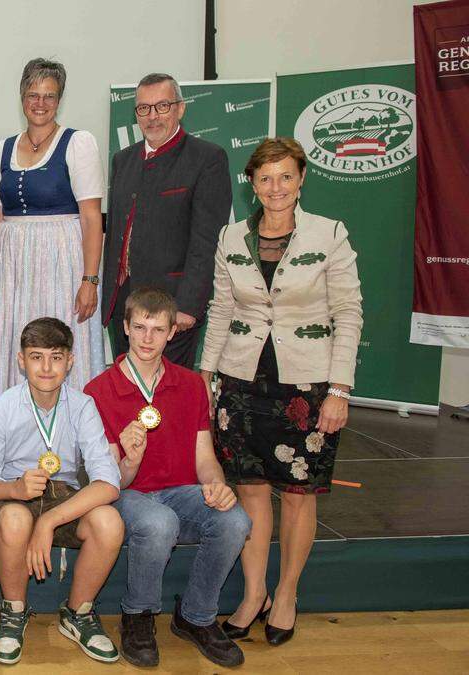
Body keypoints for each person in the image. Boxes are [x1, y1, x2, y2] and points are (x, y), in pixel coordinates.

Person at [201, 138, 362, 647]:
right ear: (252, 183)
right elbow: (222, 311)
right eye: (265, 178)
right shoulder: (231, 237)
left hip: (308, 388)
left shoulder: (329, 234)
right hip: (241, 383)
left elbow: (349, 315)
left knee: (297, 496)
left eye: (285, 177)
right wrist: (207, 378)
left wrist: (339, 388)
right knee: (248, 490)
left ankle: (287, 593)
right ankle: (254, 593)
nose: (275, 188)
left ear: (301, 179)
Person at [84, 287, 251, 668]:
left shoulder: (192, 385)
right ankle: (138, 615)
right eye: (139, 327)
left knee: (235, 519)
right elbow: (112, 482)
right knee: (159, 523)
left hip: (181, 491)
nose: (147, 338)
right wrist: (130, 456)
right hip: (128, 494)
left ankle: (196, 616)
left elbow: (205, 457)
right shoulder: (98, 390)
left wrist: (217, 484)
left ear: (172, 332)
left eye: (157, 330)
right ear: (124, 327)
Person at [0, 317, 124, 665]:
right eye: (36, 356)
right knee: (12, 518)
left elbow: (108, 481)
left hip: (64, 497)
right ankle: (13, 611)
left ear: (70, 361)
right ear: (21, 361)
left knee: (109, 522)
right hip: (16, 493)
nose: (46, 367)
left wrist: (48, 521)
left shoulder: (83, 406)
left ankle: (77, 613)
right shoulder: (3, 406)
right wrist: (15, 488)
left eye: (56, 357)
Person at [0, 58, 106, 398]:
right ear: (22, 97)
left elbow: (92, 217)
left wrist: (90, 280)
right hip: (12, 268)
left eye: (49, 96)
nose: (40, 103)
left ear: (59, 100)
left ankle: (67, 432)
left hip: (62, 262)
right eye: (33, 94)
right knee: (13, 337)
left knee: (56, 340)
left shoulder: (78, 143)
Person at [101, 72, 232, 368]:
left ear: (180, 108)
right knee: (126, 397)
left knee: (167, 399)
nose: (152, 116)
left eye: (162, 106)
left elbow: (206, 241)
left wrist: (186, 306)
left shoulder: (207, 158)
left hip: (171, 309)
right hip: (123, 306)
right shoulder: (123, 160)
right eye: (144, 108)